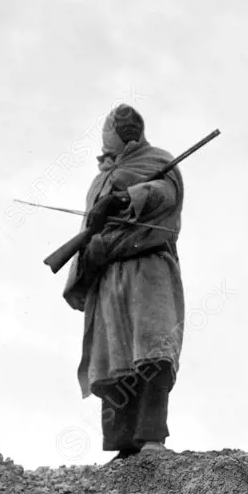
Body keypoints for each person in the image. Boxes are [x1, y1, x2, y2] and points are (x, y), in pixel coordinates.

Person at [62, 104, 185, 461]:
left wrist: (124, 197)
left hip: (148, 268)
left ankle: (151, 438)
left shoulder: (158, 160)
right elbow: (89, 228)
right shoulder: (97, 179)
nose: (117, 130)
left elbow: (166, 194)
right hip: (108, 273)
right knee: (114, 357)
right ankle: (123, 446)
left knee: (152, 350)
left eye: (120, 126)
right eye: (114, 125)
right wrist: (91, 251)